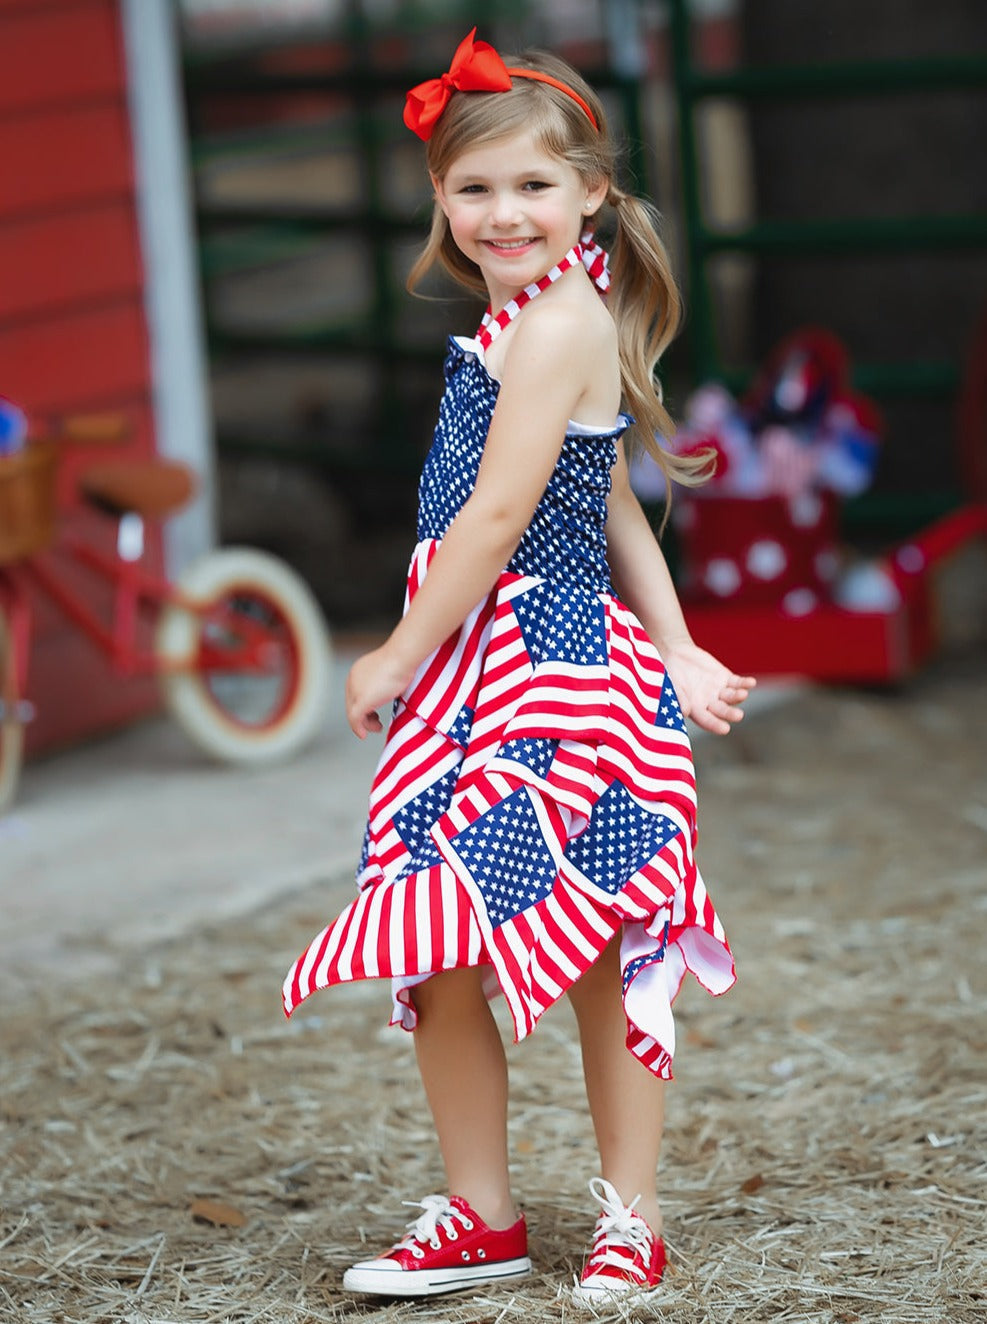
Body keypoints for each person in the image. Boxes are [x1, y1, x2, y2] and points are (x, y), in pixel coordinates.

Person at [283, 28, 755, 1306]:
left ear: (593, 191)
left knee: (599, 939)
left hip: (550, 681)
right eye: (476, 187)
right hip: (474, 678)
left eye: (535, 186)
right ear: (440, 198)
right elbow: (603, 503)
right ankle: (482, 1213)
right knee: (433, 940)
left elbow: (502, 522)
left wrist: (392, 646)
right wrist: (684, 639)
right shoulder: (515, 312)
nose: (505, 213)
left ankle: (630, 1217)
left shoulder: (560, 327)